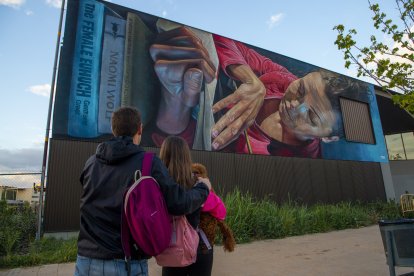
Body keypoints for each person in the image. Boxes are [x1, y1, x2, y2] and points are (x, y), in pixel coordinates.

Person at [75, 107, 211, 276]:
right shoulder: (148, 163)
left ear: (113, 129)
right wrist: (203, 188)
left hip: (85, 260)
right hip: (125, 263)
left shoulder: (91, 163)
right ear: (140, 128)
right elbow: (180, 203)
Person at [159, 136, 212, 276]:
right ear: (186, 156)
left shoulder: (158, 184)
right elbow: (219, 211)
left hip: (169, 247)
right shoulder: (199, 182)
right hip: (199, 247)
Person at [191, 163, 235, 275]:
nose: (194, 176)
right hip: (200, 243)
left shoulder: (201, 191)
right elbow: (221, 213)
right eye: (192, 173)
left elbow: (220, 213)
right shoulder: (205, 189)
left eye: (196, 173)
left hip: (202, 240)